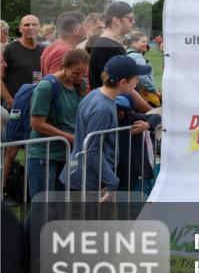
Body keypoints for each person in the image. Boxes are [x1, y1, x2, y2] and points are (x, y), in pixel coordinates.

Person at [61, 55, 152, 193]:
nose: (138, 81)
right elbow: (92, 151)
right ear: (123, 82)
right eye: (135, 78)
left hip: (80, 174)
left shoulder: (95, 94)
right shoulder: (103, 109)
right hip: (88, 182)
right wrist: (111, 181)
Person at [26, 49, 89, 198]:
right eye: (76, 73)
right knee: (42, 204)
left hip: (67, 154)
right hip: (44, 154)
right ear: (64, 66)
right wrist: (70, 137)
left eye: (83, 74)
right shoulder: (46, 86)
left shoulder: (80, 84)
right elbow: (37, 124)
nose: (80, 77)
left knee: (60, 204)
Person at [2, 15, 42, 194]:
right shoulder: (10, 50)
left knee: (34, 149)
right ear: (20, 28)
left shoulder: (43, 50)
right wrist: (10, 100)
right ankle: (3, 189)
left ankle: (27, 189)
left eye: (34, 24)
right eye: (26, 24)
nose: (30, 27)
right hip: (16, 108)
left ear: (39, 27)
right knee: (11, 150)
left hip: (37, 108)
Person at [87, 2, 150, 113]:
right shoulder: (107, 47)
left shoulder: (110, 44)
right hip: (113, 112)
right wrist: (150, 110)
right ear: (116, 20)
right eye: (130, 19)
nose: (133, 22)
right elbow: (122, 86)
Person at [113, 95, 160, 196]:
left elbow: (157, 116)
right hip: (121, 173)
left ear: (120, 113)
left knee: (142, 198)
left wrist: (147, 125)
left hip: (138, 173)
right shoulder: (112, 122)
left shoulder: (135, 119)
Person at [40, 11, 84, 76]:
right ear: (76, 30)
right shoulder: (65, 51)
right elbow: (57, 81)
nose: (88, 29)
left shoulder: (53, 46)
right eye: (86, 25)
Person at [125, 33, 160, 107]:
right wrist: (154, 90)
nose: (146, 44)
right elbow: (142, 77)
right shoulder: (137, 57)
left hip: (130, 90)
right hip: (141, 92)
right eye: (143, 42)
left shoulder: (127, 53)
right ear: (133, 43)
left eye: (146, 42)